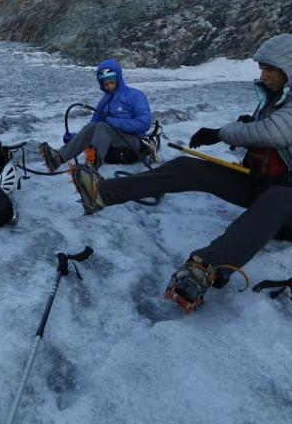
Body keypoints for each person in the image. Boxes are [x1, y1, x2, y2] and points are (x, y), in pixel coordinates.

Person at [71, 34, 292, 313]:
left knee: (281, 198)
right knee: (189, 167)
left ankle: (204, 268)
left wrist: (221, 133)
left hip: (284, 203)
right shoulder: (277, 100)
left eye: (271, 69)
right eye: (262, 68)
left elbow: (274, 132)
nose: (264, 75)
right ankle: (101, 194)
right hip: (263, 186)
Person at [39, 58, 152, 171]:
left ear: (118, 79)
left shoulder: (135, 95)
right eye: (105, 84)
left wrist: (112, 121)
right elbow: (92, 127)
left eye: (111, 83)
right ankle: (58, 158)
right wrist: (75, 138)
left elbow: (144, 123)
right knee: (94, 126)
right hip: (112, 141)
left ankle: (91, 166)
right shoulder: (104, 101)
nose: (109, 87)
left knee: (102, 126)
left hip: (135, 141)